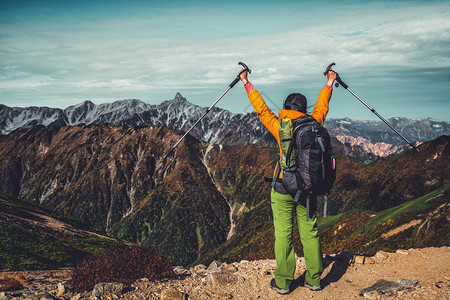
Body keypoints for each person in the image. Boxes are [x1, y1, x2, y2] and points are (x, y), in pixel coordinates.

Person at [239, 67, 337, 294]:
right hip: (309, 189)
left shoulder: (280, 125)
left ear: (285, 108)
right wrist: (329, 82)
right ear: (304, 109)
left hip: (283, 188)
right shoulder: (314, 123)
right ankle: (313, 279)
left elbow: (262, 110)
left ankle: (283, 282)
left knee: (283, 235)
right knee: (310, 232)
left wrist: (246, 82)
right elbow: (323, 106)